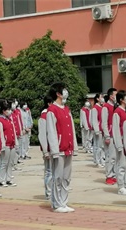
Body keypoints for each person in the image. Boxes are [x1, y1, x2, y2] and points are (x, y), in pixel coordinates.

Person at [46, 82, 78, 213]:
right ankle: (57, 203)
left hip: (68, 147)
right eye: (64, 90)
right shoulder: (52, 110)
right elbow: (51, 131)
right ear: (58, 93)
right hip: (59, 149)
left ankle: (64, 202)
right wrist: (54, 150)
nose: (66, 92)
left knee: (66, 177)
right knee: (57, 177)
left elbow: (72, 129)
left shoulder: (66, 109)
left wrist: (74, 146)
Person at [0, 99, 18, 187]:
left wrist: (16, 142)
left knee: (10, 162)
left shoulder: (9, 120)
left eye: (9, 109)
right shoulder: (0, 120)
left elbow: (13, 131)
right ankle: (2, 180)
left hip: (12, 143)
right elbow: (1, 133)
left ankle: (9, 179)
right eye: (7, 110)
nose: (9, 111)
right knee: (4, 163)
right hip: (6, 144)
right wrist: (2, 144)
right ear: (3, 111)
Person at [112, 90, 126, 196]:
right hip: (121, 141)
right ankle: (121, 186)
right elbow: (115, 129)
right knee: (121, 165)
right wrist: (118, 144)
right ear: (121, 100)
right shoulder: (117, 112)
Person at [102, 88, 118, 185]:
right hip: (110, 134)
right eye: (115, 94)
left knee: (115, 157)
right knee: (110, 157)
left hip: (116, 134)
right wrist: (107, 135)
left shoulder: (115, 106)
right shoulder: (106, 107)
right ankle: (109, 175)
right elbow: (104, 122)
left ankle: (114, 174)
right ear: (111, 96)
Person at [38, 95, 53, 200]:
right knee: (49, 171)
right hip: (48, 147)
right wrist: (45, 150)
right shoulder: (44, 115)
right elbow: (42, 134)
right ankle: (49, 192)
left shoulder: (52, 114)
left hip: (56, 147)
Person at [90, 94, 105, 167]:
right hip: (97, 130)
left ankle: (101, 160)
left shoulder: (102, 107)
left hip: (101, 129)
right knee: (97, 146)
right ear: (97, 99)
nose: (102, 98)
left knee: (101, 146)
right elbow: (94, 120)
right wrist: (97, 130)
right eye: (101, 97)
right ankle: (97, 161)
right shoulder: (95, 108)